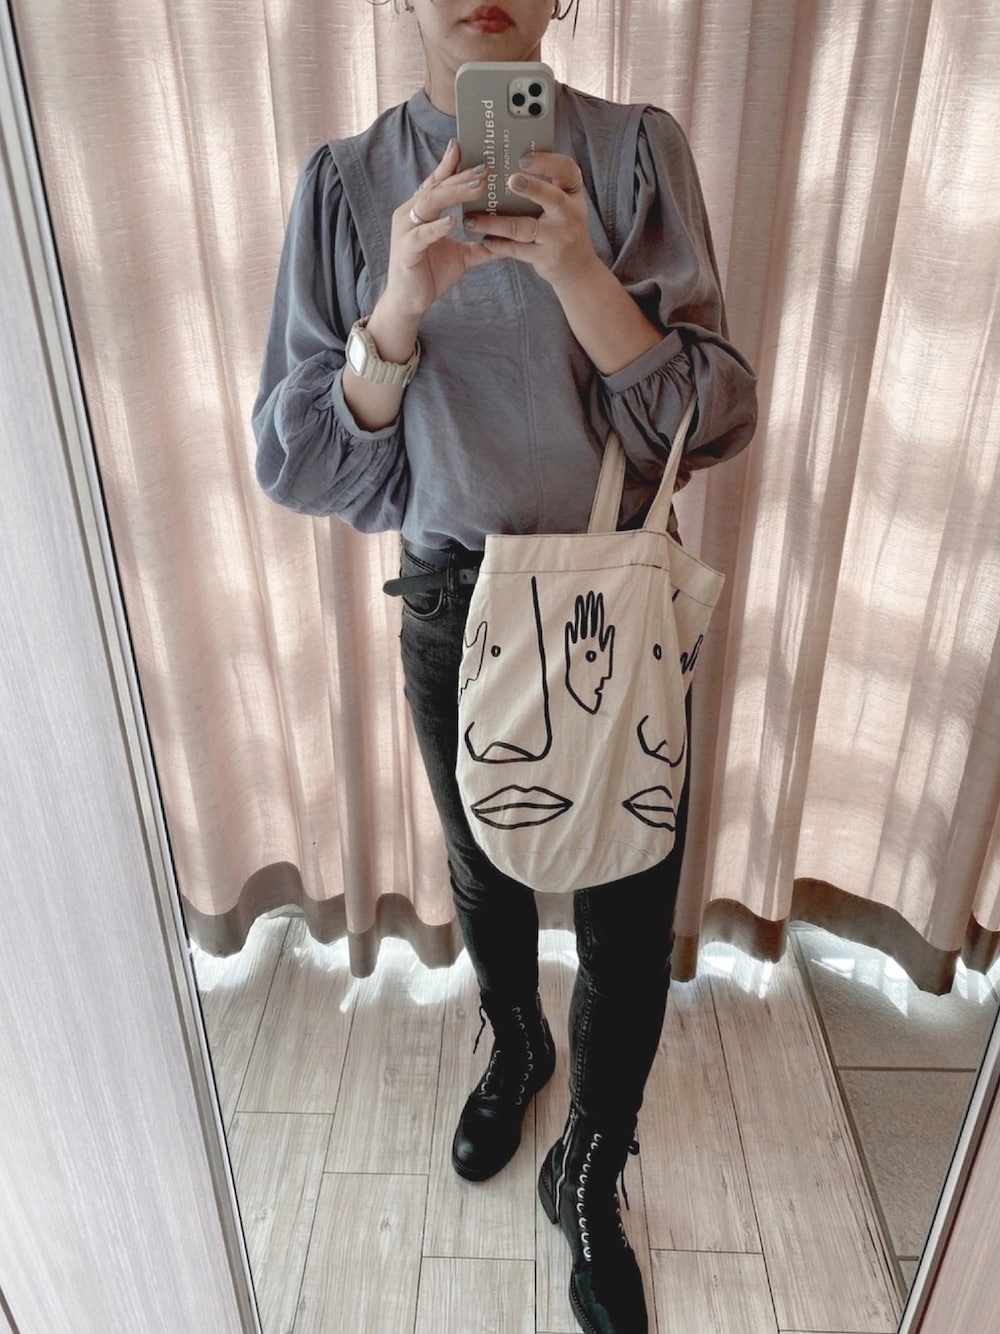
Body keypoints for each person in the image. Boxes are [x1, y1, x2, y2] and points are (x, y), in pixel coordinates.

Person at [253, 1, 756, 1328]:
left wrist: (582, 275)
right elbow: (303, 459)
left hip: (614, 593)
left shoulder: (633, 154)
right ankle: (518, 1040)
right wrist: (399, 307)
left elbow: (713, 418)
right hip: (453, 593)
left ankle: (589, 1168)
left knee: (631, 903)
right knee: (484, 869)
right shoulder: (348, 187)